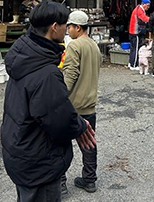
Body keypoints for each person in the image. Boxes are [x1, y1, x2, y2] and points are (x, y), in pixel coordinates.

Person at [1, 1, 96, 202]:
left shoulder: (24, 55)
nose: (67, 30)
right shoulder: (46, 72)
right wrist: (79, 126)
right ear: (55, 27)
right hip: (38, 159)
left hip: (18, 146)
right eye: (65, 25)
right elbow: (59, 118)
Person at [61, 11, 101, 195]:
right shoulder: (94, 45)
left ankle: (60, 184)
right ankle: (89, 180)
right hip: (90, 104)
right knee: (88, 143)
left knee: (60, 143)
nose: (67, 30)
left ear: (78, 27)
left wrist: (60, 96)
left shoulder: (74, 46)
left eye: (70, 26)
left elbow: (70, 74)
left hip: (73, 105)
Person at [128, 0, 151, 71]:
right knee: (136, 48)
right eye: (148, 6)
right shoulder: (140, 11)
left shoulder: (137, 9)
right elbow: (144, 19)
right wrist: (152, 19)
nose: (148, 7)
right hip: (136, 32)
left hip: (132, 31)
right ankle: (134, 65)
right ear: (144, 5)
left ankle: (131, 62)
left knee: (133, 48)